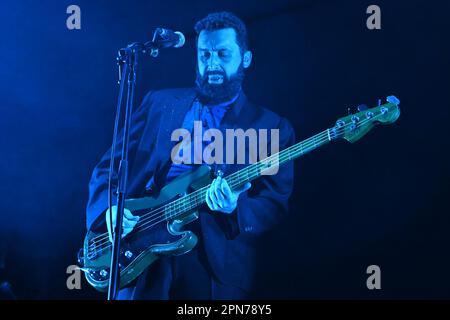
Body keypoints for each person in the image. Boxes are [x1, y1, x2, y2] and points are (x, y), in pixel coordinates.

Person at [86, 11, 295, 300]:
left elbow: (274, 203)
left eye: (223, 54)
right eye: (204, 54)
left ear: (245, 59)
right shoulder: (159, 103)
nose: (212, 63)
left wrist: (235, 207)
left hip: (212, 262)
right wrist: (109, 209)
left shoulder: (270, 126)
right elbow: (109, 166)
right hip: (140, 247)